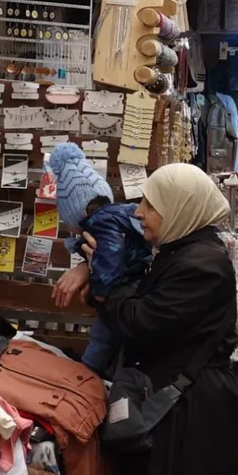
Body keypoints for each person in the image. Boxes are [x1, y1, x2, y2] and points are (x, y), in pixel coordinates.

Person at [57, 163, 238, 475]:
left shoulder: (202, 266)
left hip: (190, 421)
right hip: (177, 412)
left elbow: (142, 324)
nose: (139, 212)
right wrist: (90, 268)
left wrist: (106, 287)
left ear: (180, 209)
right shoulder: (182, 252)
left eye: (150, 205)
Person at [47, 142, 152, 376]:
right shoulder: (122, 214)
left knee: (101, 336)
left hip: (126, 287)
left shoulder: (101, 224)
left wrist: (100, 290)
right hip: (135, 286)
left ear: (79, 213)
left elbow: (111, 255)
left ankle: (88, 371)